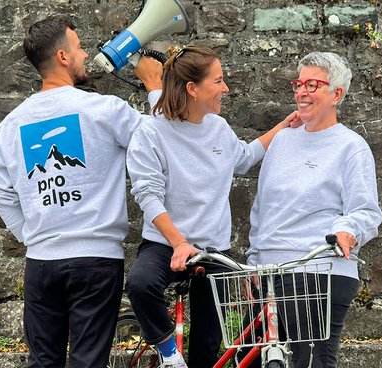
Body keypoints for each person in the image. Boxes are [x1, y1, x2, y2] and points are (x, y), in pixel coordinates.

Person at [0, 17, 163, 368]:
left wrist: (34, 236)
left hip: (41, 263)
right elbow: (160, 141)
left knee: (43, 362)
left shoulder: (12, 125)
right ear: (63, 57)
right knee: (87, 361)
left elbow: (0, 194)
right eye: (79, 47)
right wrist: (155, 85)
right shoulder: (104, 110)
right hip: (96, 259)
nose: (86, 54)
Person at [125, 46, 301, 368]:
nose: (226, 89)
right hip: (167, 244)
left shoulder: (218, 128)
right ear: (192, 89)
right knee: (140, 284)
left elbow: (244, 158)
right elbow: (148, 195)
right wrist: (178, 243)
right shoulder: (150, 132)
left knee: (207, 346)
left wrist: (284, 127)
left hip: (212, 249)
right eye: (218, 81)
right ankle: (168, 354)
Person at [246, 52, 382, 368]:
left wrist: (348, 231)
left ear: (337, 94)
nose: (301, 92)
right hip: (268, 274)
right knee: (250, 359)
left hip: (318, 270)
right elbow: (262, 206)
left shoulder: (351, 147)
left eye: (312, 84)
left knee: (310, 362)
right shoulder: (282, 141)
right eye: (298, 84)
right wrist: (254, 260)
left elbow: (366, 210)